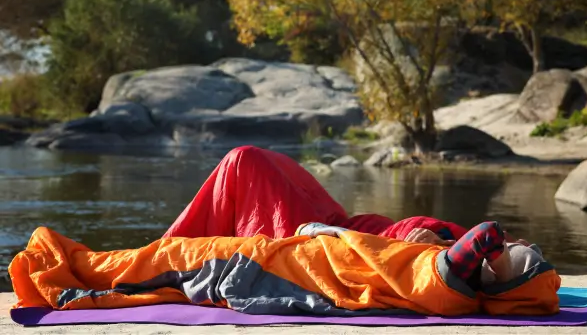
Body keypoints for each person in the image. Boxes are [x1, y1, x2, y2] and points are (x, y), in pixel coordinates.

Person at [10, 221, 559, 316]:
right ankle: (74, 266)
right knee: (158, 263)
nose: (513, 245)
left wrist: (494, 244)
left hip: (256, 269)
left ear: (499, 274)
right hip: (283, 260)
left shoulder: (449, 279)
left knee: (156, 262)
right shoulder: (456, 284)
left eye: (515, 255)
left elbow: (483, 234)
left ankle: (61, 268)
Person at [163, 146, 525, 246]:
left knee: (244, 161)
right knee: (260, 162)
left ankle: (165, 254)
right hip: (355, 225)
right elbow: (503, 248)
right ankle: (167, 251)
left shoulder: (447, 262)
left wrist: (438, 246)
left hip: (339, 240)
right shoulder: (483, 249)